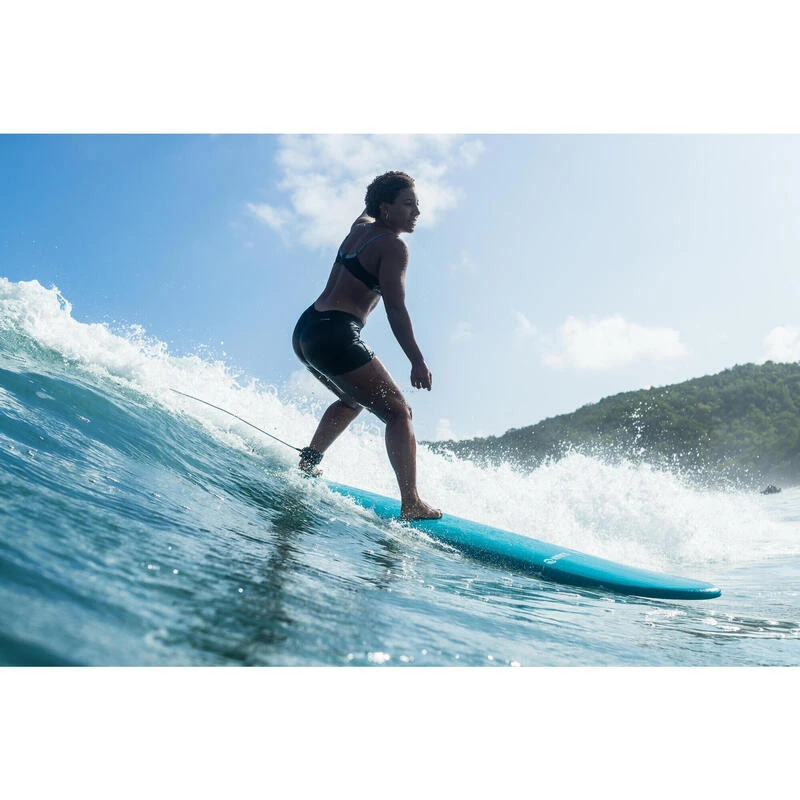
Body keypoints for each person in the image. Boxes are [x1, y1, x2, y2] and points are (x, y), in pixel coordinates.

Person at [292, 171, 442, 520]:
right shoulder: (393, 247)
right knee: (399, 413)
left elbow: (367, 209)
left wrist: (382, 194)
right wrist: (417, 360)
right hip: (336, 335)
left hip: (307, 330)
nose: (417, 212)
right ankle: (411, 502)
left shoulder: (359, 227)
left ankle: (308, 462)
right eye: (408, 204)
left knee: (352, 399)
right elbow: (395, 308)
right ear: (386, 208)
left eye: (417, 204)